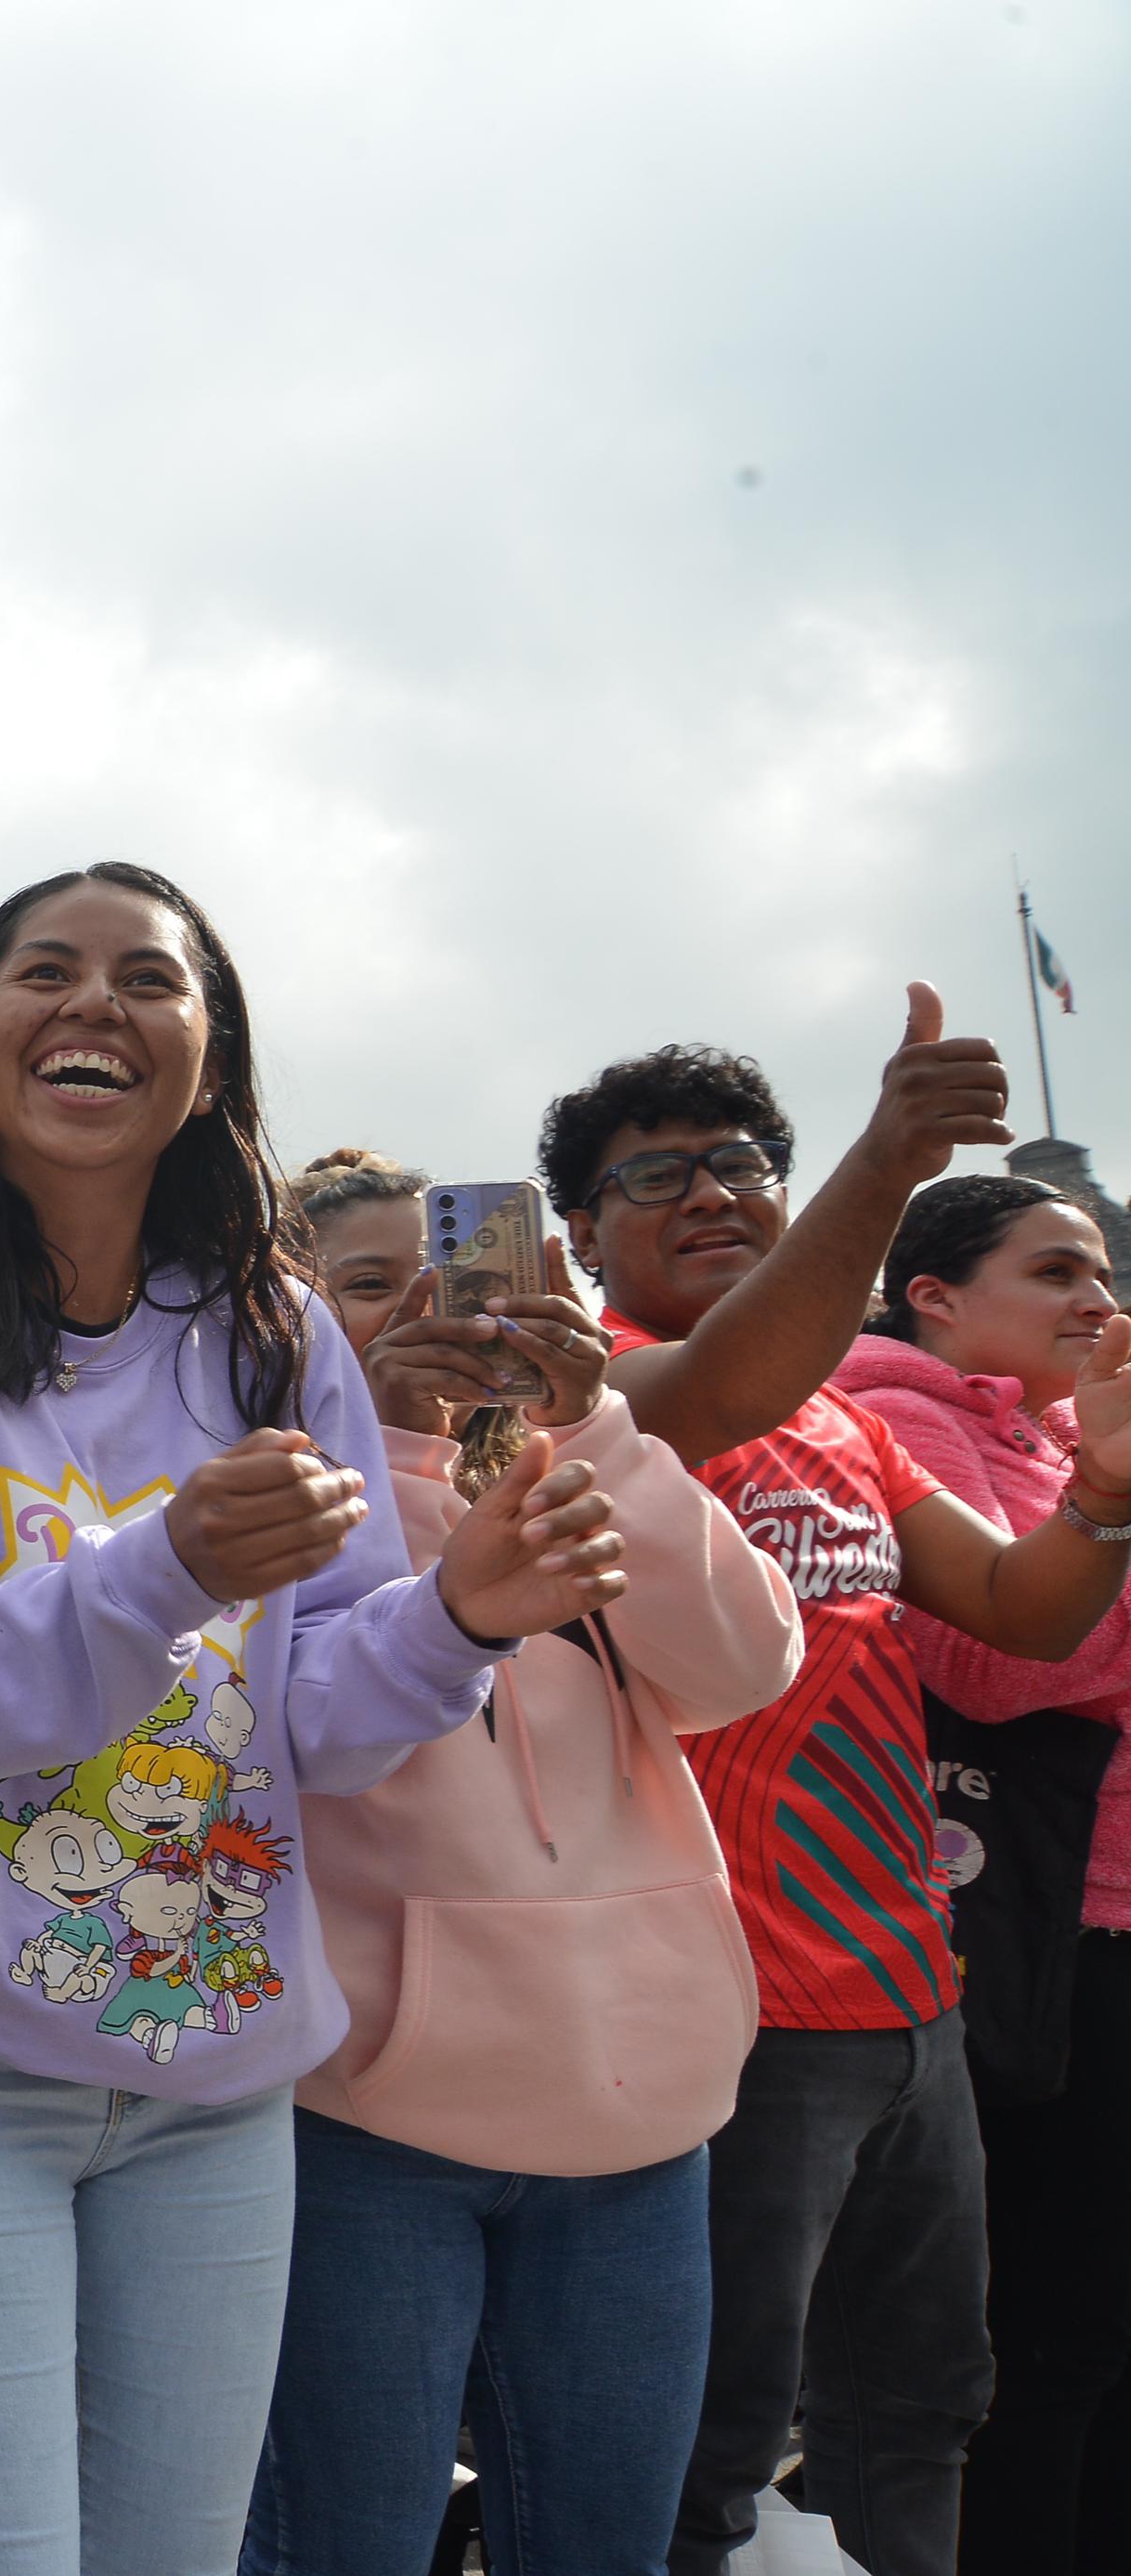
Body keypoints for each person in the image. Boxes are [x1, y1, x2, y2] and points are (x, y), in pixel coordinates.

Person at [0, 865, 633, 2576]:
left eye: (149, 978)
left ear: (208, 1056)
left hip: (214, 2066)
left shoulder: (275, 1329)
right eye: (42, 970)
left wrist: (460, 1613)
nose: (92, 1005)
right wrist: (162, 1569)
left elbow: (319, 1720)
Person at [534, 1021, 1131, 2576]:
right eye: (651, 1172)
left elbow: (1016, 1604)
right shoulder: (586, 1394)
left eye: (740, 1160)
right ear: (580, 1234)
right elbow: (727, 1376)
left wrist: (1109, 1496)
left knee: (920, 2406)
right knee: (710, 2442)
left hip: (905, 1992)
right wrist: (892, 1160)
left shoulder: (848, 1418)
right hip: (724, 2007)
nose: (711, 1188)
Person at [248, 1150, 803, 2576]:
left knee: (606, 2551)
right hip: (365, 2132)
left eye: (464, 1284)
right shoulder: (267, 1494)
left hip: (638, 2121)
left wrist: (599, 1422)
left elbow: (745, 1662)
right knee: (350, 2549)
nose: (427, 1315)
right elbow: (315, 1738)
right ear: (291, 1319)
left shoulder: (584, 1467)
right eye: (367, 1288)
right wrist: (379, 1444)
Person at [829, 1175, 1131, 2572]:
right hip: (1034, 1928)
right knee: (1044, 2339)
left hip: (1099, 1911)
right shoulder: (891, 1420)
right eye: (1057, 1269)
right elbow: (1006, 1662)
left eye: (1105, 1273)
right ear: (935, 1295)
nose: (1096, 1299)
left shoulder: (1084, 1434)